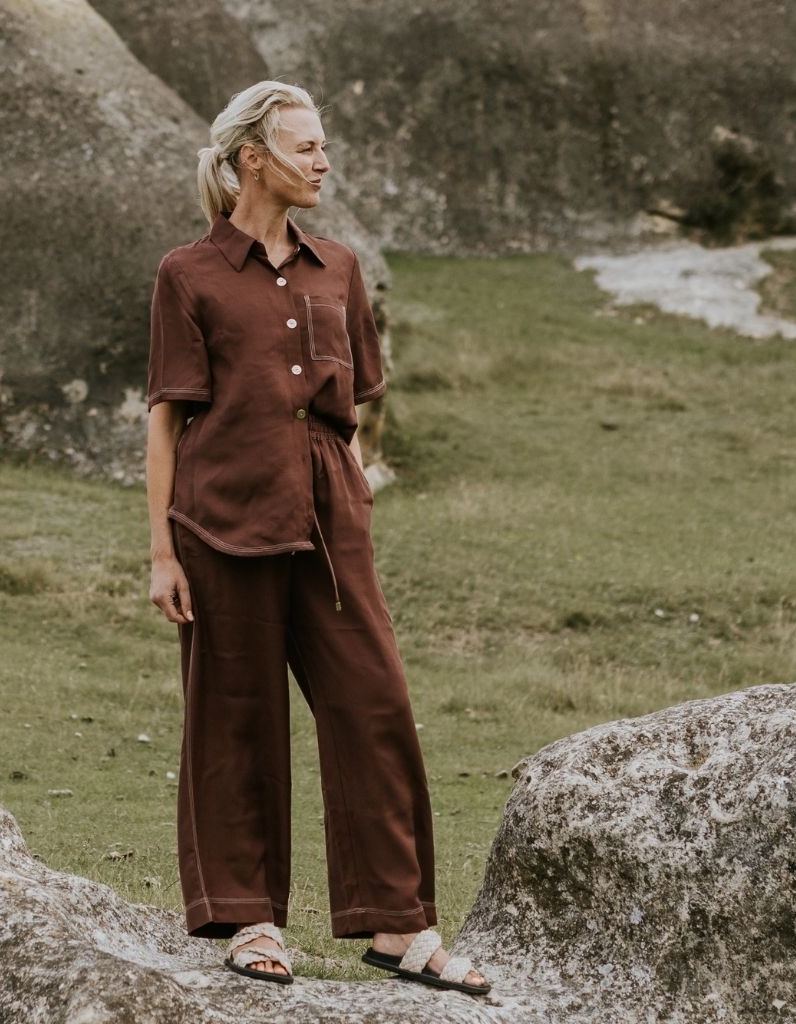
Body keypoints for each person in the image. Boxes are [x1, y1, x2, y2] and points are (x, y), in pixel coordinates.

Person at [145, 80, 491, 996]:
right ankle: (248, 916)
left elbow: (358, 401)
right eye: (305, 147)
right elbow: (166, 422)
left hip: (330, 516)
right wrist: (160, 551)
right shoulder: (188, 273)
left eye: (324, 146)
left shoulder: (337, 266)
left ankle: (399, 927)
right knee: (236, 719)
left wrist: (355, 492)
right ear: (251, 157)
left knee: (374, 707)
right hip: (221, 520)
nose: (323, 162)